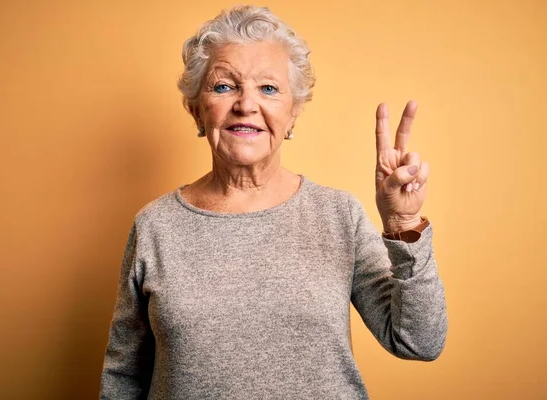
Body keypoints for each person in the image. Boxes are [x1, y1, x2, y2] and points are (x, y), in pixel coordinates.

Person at [99, 5, 447, 399]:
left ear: (293, 113)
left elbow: (418, 341)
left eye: (268, 88)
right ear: (196, 109)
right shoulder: (155, 225)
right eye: (224, 86)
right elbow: (124, 377)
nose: (246, 104)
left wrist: (405, 223)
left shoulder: (338, 215)